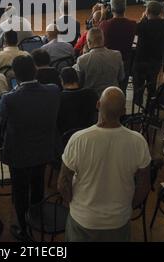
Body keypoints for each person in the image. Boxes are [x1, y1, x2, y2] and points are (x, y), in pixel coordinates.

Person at [58, 87, 151, 242]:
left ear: (98, 105)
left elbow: (63, 182)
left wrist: (75, 206)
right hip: (119, 221)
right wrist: (127, 208)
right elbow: (144, 184)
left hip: (84, 219)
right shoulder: (138, 141)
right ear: (124, 111)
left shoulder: (79, 139)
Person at [0, 55, 61, 242]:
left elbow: (1, 114)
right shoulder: (53, 91)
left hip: (19, 154)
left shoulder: (9, 98)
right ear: (35, 69)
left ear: (15, 75)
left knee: (20, 190)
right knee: (38, 183)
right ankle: (37, 217)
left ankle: (24, 229)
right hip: (44, 151)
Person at [133, 1, 164, 107]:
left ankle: (137, 107)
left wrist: (143, 18)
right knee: (152, 86)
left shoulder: (142, 25)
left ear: (147, 11)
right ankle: (150, 109)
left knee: (138, 86)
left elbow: (137, 30)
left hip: (141, 60)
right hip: (156, 60)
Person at [99, 0, 137, 92]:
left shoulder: (104, 25)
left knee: (107, 90)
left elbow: (95, 33)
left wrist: (102, 15)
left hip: (108, 63)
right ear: (125, 8)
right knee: (122, 91)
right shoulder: (133, 25)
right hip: (125, 62)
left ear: (111, 9)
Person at [73, 27, 124, 97]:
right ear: (103, 40)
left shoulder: (82, 60)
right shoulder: (117, 55)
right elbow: (121, 77)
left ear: (88, 42)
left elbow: (78, 83)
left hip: (90, 100)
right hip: (112, 97)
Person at [57, 67, 98, 135]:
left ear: (62, 80)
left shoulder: (59, 98)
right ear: (77, 79)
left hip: (66, 137)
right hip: (90, 133)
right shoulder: (91, 94)